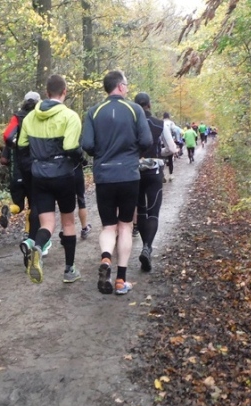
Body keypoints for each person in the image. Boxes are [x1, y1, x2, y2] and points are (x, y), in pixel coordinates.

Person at [82, 70, 153, 295]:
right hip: (128, 175)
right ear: (120, 86)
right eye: (127, 84)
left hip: (104, 175)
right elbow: (147, 140)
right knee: (125, 226)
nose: (128, 88)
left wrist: (103, 154)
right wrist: (133, 153)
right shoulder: (135, 109)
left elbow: (87, 145)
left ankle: (106, 259)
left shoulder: (93, 112)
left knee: (108, 226)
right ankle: (121, 281)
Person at [16, 74, 84, 284]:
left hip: (39, 175)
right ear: (64, 92)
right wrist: (81, 159)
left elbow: (21, 147)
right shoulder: (70, 116)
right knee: (68, 222)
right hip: (63, 175)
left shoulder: (30, 118)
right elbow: (71, 147)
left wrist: (32, 165)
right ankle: (69, 270)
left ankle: (37, 247)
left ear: (46, 93)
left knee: (47, 223)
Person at [134, 93, 176, 272]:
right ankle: (147, 247)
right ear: (149, 105)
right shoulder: (160, 124)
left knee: (141, 211)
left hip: (135, 171)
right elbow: (172, 148)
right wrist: (160, 153)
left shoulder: (131, 123)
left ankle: (146, 246)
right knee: (153, 211)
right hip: (154, 171)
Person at [1, 91, 42, 239]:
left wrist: (14, 146)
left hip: (17, 167)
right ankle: (28, 233)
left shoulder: (17, 117)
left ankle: (9, 209)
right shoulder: (39, 116)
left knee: (18, 205)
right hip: (34, 165)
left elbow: (7, 135)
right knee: (34, 203)